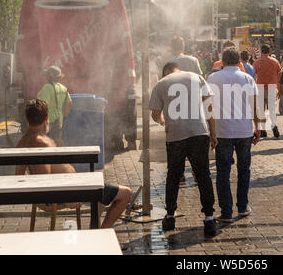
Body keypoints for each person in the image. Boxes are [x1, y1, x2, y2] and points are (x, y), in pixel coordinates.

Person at [15, 99, 132, 230]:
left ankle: (96, 231)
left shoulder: (22, 142)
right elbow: (45, 179)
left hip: (71, 187)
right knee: (126, 193)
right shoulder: (43, 143)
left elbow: (19, 175)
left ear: (28, 119)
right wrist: (66, 197)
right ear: (47, 117)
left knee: (100, 192)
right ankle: (100, 234)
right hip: (69, 191)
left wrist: (34, 188)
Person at [149, 62, 217, 236]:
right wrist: (213, 134)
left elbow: (155, 114)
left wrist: (163, 121)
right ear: (178, 68)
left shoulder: (161, 83)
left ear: (165, 72)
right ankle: (209, 218)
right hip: (199, 133)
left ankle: (170, 216)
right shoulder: (196, 77)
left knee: (173, 177)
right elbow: (209, 107)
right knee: (203, 176)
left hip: (175, 136)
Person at [207, 48, 260, 223]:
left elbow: (209, 107)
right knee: (244, 170)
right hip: (245, 131)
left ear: (222, 61)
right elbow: (254, 106)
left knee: (223, 172)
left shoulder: (213, 78)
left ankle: (226, 212)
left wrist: (211, 132)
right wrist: (257, 127)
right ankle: (243, 207)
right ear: (239, 62)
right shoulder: (248, 78)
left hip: (223, 132)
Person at [37, 66, 72, 146]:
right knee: (55, 143)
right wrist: (63, 116)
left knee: (46, 145)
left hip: (48, 122)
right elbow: (69, 103)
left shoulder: (47, 87)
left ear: (49, 76)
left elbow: (43, 104)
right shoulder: (63, 88)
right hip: (59, 121)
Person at [253, 44, 282, 138]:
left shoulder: (257, 63)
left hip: (260, 87)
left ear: (261, 51)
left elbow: (254, 76)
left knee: (261, 109)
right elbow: (279, 75)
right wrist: (279, 88)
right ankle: (273, 125)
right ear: (269, 52)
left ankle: (263, 129)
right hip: (272, 87)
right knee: (272, 109)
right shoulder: (275, 62)